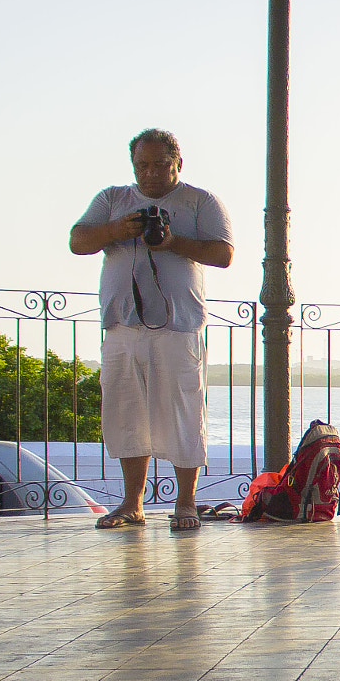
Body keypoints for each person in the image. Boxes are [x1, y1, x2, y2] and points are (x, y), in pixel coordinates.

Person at [70, 129, 234, 532]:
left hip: (178, 326)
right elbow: (77, 241)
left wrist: (173, 241)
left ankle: (186, 503)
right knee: (126, 414)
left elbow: (223, 253)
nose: (151, 174)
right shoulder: (112, 200)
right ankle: (132, 504)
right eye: (142, 165)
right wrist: (116, 230)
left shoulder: (200, 200)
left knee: (182, 412)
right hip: (123, 326)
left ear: (178, 163)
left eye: (160, 164)